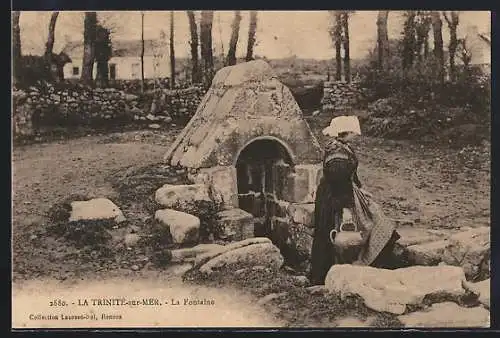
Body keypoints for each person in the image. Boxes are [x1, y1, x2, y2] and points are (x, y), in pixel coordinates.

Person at [308, 116, 400, 286]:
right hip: (335, 197)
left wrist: (360, 189)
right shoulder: (337, 153)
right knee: (335, 231)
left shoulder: (343, 147)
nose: (355, 136)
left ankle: (366, 264)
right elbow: (338, 180)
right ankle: (325, 276)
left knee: (373, 219)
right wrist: (345, 208)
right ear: (346, 132)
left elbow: (350, 177)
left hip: (344, 191)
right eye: (353, 133)